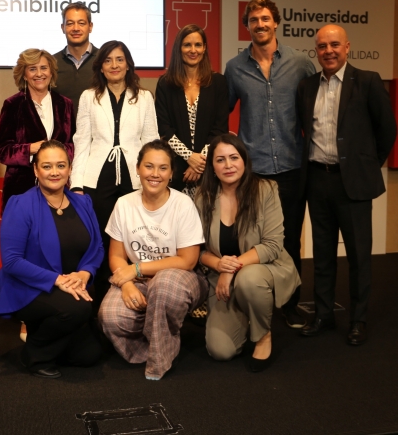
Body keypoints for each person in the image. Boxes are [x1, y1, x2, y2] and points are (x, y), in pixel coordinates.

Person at [296, 25, 397, 345]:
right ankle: (324, 315)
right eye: (322, 46)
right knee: (323, 255)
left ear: (348, 47)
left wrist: (366, 166)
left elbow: (388, 130)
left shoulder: (366, 81)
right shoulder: (307, 86)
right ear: (316, 50)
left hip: (352, 184)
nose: (328, 50)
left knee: (358, 256)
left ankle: (358, 319)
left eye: (334, 44)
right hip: (317, 180)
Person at [224, 0, 316, 328]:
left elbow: (314, 113)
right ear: (246, 26)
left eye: (265, 19)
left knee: (290, 239)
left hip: (292, 167)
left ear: (276, 22)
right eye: (253, 20)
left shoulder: (301, 63)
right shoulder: (235, 68)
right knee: (251, 240)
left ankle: (289, 304)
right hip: (255, 171)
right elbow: (223, 114)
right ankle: (254, 302)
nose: (260, 25)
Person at [98, 140, 208, 381]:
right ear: (137, 168)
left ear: (171, 173)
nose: (155, 174)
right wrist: (126, 284)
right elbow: (116, 255)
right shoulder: (124, 204)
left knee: (163, 286)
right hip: (137, 280)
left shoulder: (183, 204)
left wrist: (136, 267)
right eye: (149, 166)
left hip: (180, 280)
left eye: (162, 168)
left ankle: (160, 358)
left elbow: (188, 260)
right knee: (110, 316)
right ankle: (154, 342)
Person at [0, 140, 103, 379]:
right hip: (29, 287)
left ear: (70, 169)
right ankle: (33, 356)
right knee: (78, 309)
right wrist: (58, 280)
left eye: (61, 165)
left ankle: (42, 332)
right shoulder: (21, 205)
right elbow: (11, 261)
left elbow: (97, 247)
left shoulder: (83, 202)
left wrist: (85, 273)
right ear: (35, 170)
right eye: (47, 166)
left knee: (90, 355)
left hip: (72, 286)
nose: (54, 172)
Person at [195, 134, 300, 372]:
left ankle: (263, 335)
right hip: (222, 279)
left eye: (234, 157)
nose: (228, 165)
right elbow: (198, 251)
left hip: (264, 270)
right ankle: (246, 314)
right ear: (212, 166)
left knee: (248, 280)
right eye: (220, 160)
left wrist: (231, 270)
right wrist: (220, 266)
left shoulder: (266, 190)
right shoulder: (203, 197)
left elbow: (273, 245)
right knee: (220, 351)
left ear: (244, 160)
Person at [71, 40, 159, 307]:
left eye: (119, 59)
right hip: (98, 178)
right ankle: (100, 302)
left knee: (133, 238)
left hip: (135, 179)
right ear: (101, 66)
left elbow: (151, 139)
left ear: (128, 63)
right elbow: (82, 141)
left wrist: (153, 178)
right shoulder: (89, 96)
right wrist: (76, 184)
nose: (114, 65)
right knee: (101, 240)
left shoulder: (144, 97)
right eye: (108, 60)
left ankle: (134, 295)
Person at [156, 24, 229, 198]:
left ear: (204, 48)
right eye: (187, 45)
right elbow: (163, 127)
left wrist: (200, 162)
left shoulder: (218, 82)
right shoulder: (165, 83)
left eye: (198, 45)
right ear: (179, 49)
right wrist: (189, 157)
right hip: (176, 169)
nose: (193, 50)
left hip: (209, 169)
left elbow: (220, 128)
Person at [0, 48, 74, 210]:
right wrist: (31, 149)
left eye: (44, 68)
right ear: (24, 75)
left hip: (59, 187)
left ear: (51, 72)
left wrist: (54, 152)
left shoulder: (65, 104)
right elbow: (3, 151)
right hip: (21, 188)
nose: (39, 74)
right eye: (32, 69)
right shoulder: (12, 105)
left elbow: (74, 144)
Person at [53, 2, 100, 118]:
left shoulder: (104, 60)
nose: (75, 28)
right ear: (63, 28)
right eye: (70, 23)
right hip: (62, 135)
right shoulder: (51, 63)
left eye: (81, 23)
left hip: (98, 135)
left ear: (90, 27)